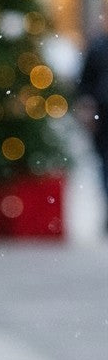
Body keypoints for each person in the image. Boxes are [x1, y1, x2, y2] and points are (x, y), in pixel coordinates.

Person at [76, 27, 108, 233]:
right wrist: (87, 107)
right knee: (105, 164)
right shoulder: (97, 47)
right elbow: (85, 84)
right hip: (104, 115)